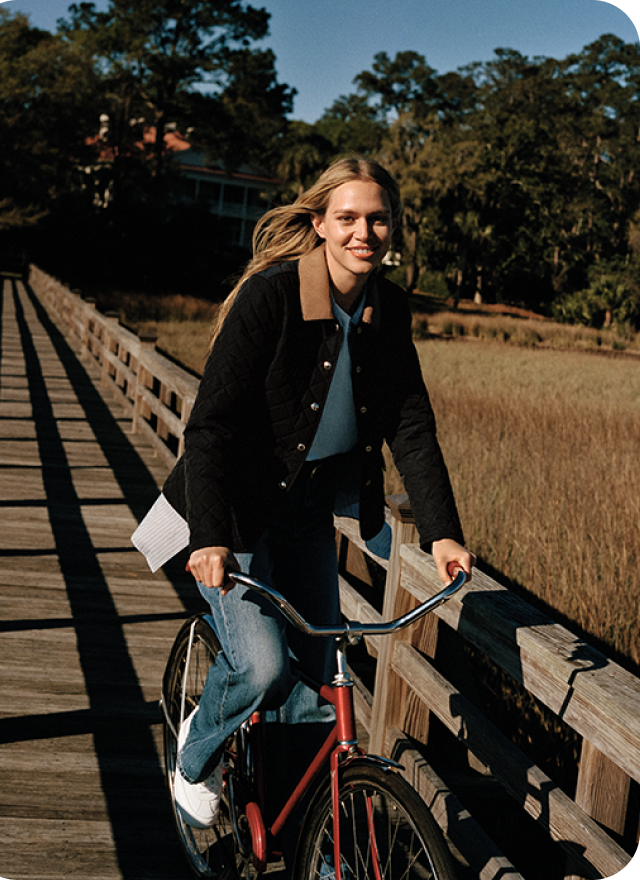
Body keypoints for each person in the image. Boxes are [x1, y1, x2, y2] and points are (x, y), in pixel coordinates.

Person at [156, 155, 475, 840]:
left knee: (317, 685)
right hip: (233, 514)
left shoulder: (388, 308)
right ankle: (195, 753)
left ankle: (317, 853)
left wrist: (443, 532)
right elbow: (209, 427)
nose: (365, 232)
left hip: (304, 513)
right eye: (348, 217)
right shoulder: (271, 297)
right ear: (321, 222)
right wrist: (209, 538)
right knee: (264, 667)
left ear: (394, 227)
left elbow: (410, 423)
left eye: (378, 219)